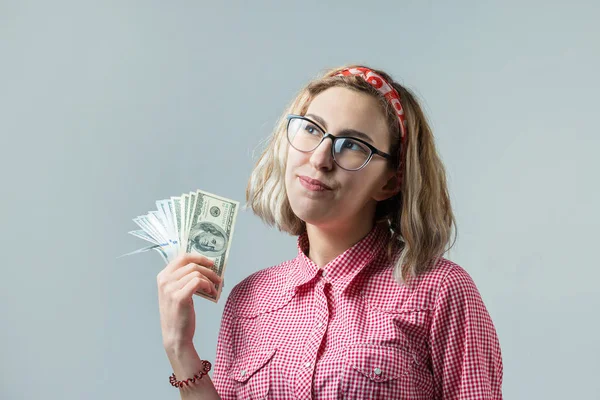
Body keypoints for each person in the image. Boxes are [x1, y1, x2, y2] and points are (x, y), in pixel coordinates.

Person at [157, 65, 504, 399]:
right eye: (311, 129)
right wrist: (179, 346)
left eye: (352, 145)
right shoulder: (248, 301)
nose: (321, 158)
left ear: (390, 181)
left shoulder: (440, 291)